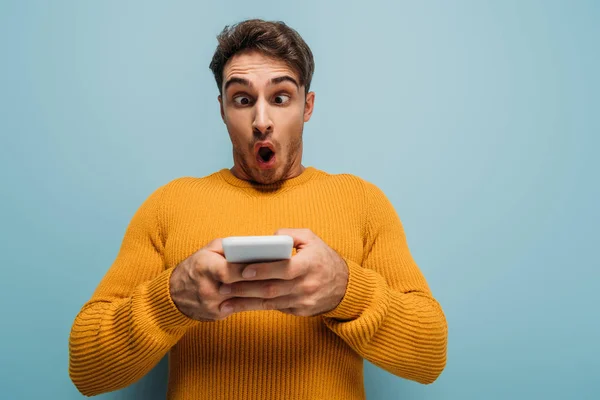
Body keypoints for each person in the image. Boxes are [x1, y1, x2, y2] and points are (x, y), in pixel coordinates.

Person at [68, 18, 447, 400]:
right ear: (222, 109)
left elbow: (430, 356)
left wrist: (347, 291)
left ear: (307, 106)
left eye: (280, 98)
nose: (261, 121)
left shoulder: (363, 201)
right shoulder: (169, 204)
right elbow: (86, 370)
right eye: (243, 99)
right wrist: (171, 297)